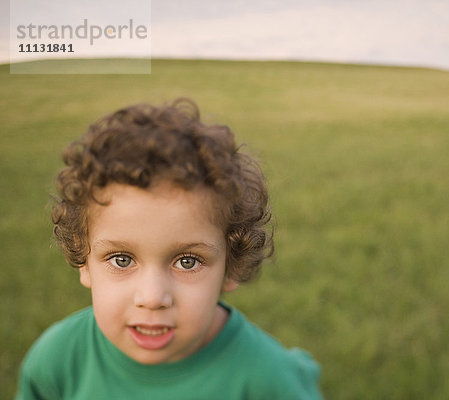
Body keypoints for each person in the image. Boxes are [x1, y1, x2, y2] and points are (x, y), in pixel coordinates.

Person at [15, 99, 322, 399]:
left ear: (231, 266)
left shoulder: (267, 379)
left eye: (188, 262)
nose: (152, 298)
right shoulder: (57, 360)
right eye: (122, 259)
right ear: (84, 261)